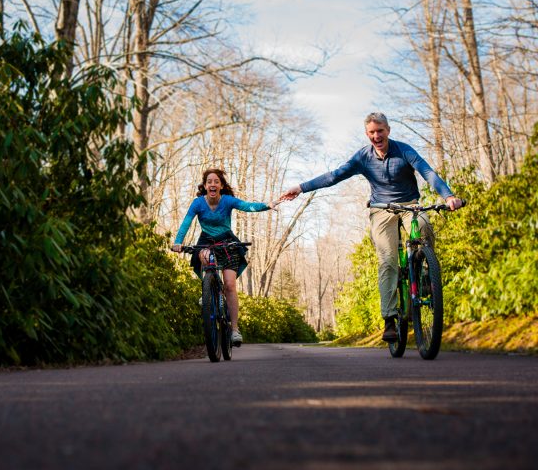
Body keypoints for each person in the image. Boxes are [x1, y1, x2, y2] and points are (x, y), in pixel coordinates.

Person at [279, 112, 463, 342]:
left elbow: (428, 172)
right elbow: (335, 176)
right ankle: (390, 319)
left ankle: (425, 273)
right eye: (372, 133)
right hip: (381, 209)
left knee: (424, 225)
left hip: (410, 205)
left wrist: (448, 196)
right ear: (367, 134)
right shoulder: (363, 157)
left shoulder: (404, 150)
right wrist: (300, 187)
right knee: (387, 261)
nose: (376, 136)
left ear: (388, 131)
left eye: (380, 131)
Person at [171, 168, 283, 346]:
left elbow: (247, 206)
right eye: (209, 181)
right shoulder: (198, 203)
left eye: (216, 181)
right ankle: (208, 292)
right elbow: (186, 222)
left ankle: (235, 330)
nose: (213, 184)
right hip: (207, 240)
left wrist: (267, 205)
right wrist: (178, 241)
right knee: (203, 256)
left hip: (227, 241)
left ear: (221, 186)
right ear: (205, 186)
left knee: (230, 285)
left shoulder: (228, 201)